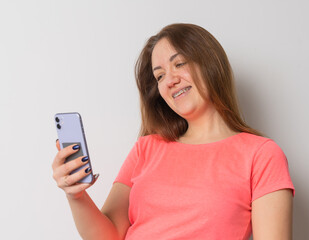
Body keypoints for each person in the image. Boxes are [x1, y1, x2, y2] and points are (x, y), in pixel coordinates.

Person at [52, 23, 295, 240]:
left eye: (179, 64)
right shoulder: (146, 148)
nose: (170, 80)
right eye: (160, 76)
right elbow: (108, 235)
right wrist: (76, 195)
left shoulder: (261, 155)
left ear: (211, 64)